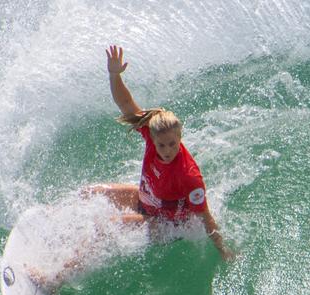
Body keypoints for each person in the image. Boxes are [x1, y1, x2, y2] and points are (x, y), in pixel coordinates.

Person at [87, 45, 235, 261]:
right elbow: (126, 103)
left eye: (173, 144)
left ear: (180, 138)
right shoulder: (150, 133)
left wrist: (224, 251)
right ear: (152, 138)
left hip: (167, 225)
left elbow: (205, 217)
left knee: (105, 228)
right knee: (91, 192)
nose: (168, 151)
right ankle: (56, 223)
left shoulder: (188, 176)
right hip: (147, 200)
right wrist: (114, 75)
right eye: (162, 145)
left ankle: (54, 278)